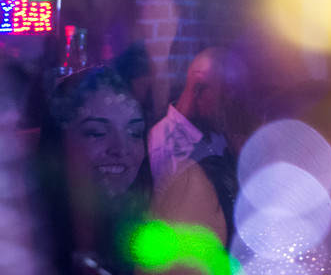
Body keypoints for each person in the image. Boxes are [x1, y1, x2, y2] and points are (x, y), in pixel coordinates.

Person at [34, 66, 151, 275]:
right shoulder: (25, 237)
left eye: (135, 132)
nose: (121, 149)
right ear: (58, 143)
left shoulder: (150, 229)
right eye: (97, 132)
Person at [148, 47, 230, 189]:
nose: (230, 108)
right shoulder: (161, 144)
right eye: (224, 98)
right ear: (198, 90)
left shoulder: (218, 135)